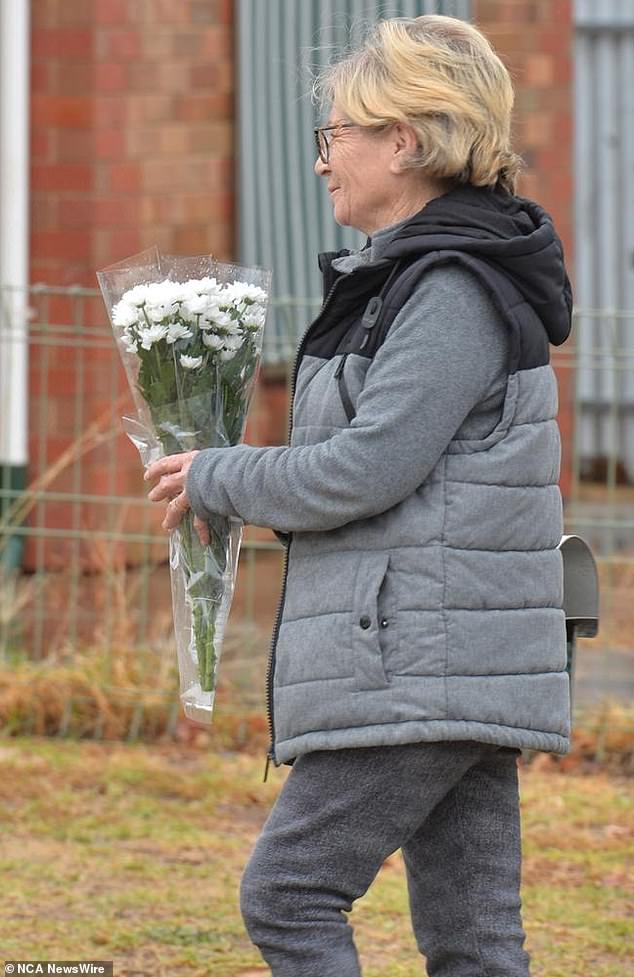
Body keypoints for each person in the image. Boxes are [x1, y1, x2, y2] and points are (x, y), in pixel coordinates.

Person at [144, 14, 572, 977]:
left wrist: (219, 471)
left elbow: (362, 469)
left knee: (289, 894)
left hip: (422, 659)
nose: (322, 162)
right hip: (445, 660)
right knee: (474, 944)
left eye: (334, 135)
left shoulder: (452, 290)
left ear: (404, 141)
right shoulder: (414, 280)